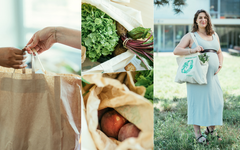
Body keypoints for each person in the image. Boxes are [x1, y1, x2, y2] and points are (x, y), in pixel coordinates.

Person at [173, 9, 223, 144]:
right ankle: (198, 134)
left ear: (208, 20)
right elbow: (176, 50)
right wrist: (192, 49)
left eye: (205, 17)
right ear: (196, 20)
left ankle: (210, 130)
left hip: (212, 77)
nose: (203, 20)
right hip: (197, 77)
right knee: (197, 104)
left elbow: (219, 52)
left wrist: (220, 64)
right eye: (200, 17)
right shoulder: (191, 36)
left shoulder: (214, 35)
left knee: (216, 102)